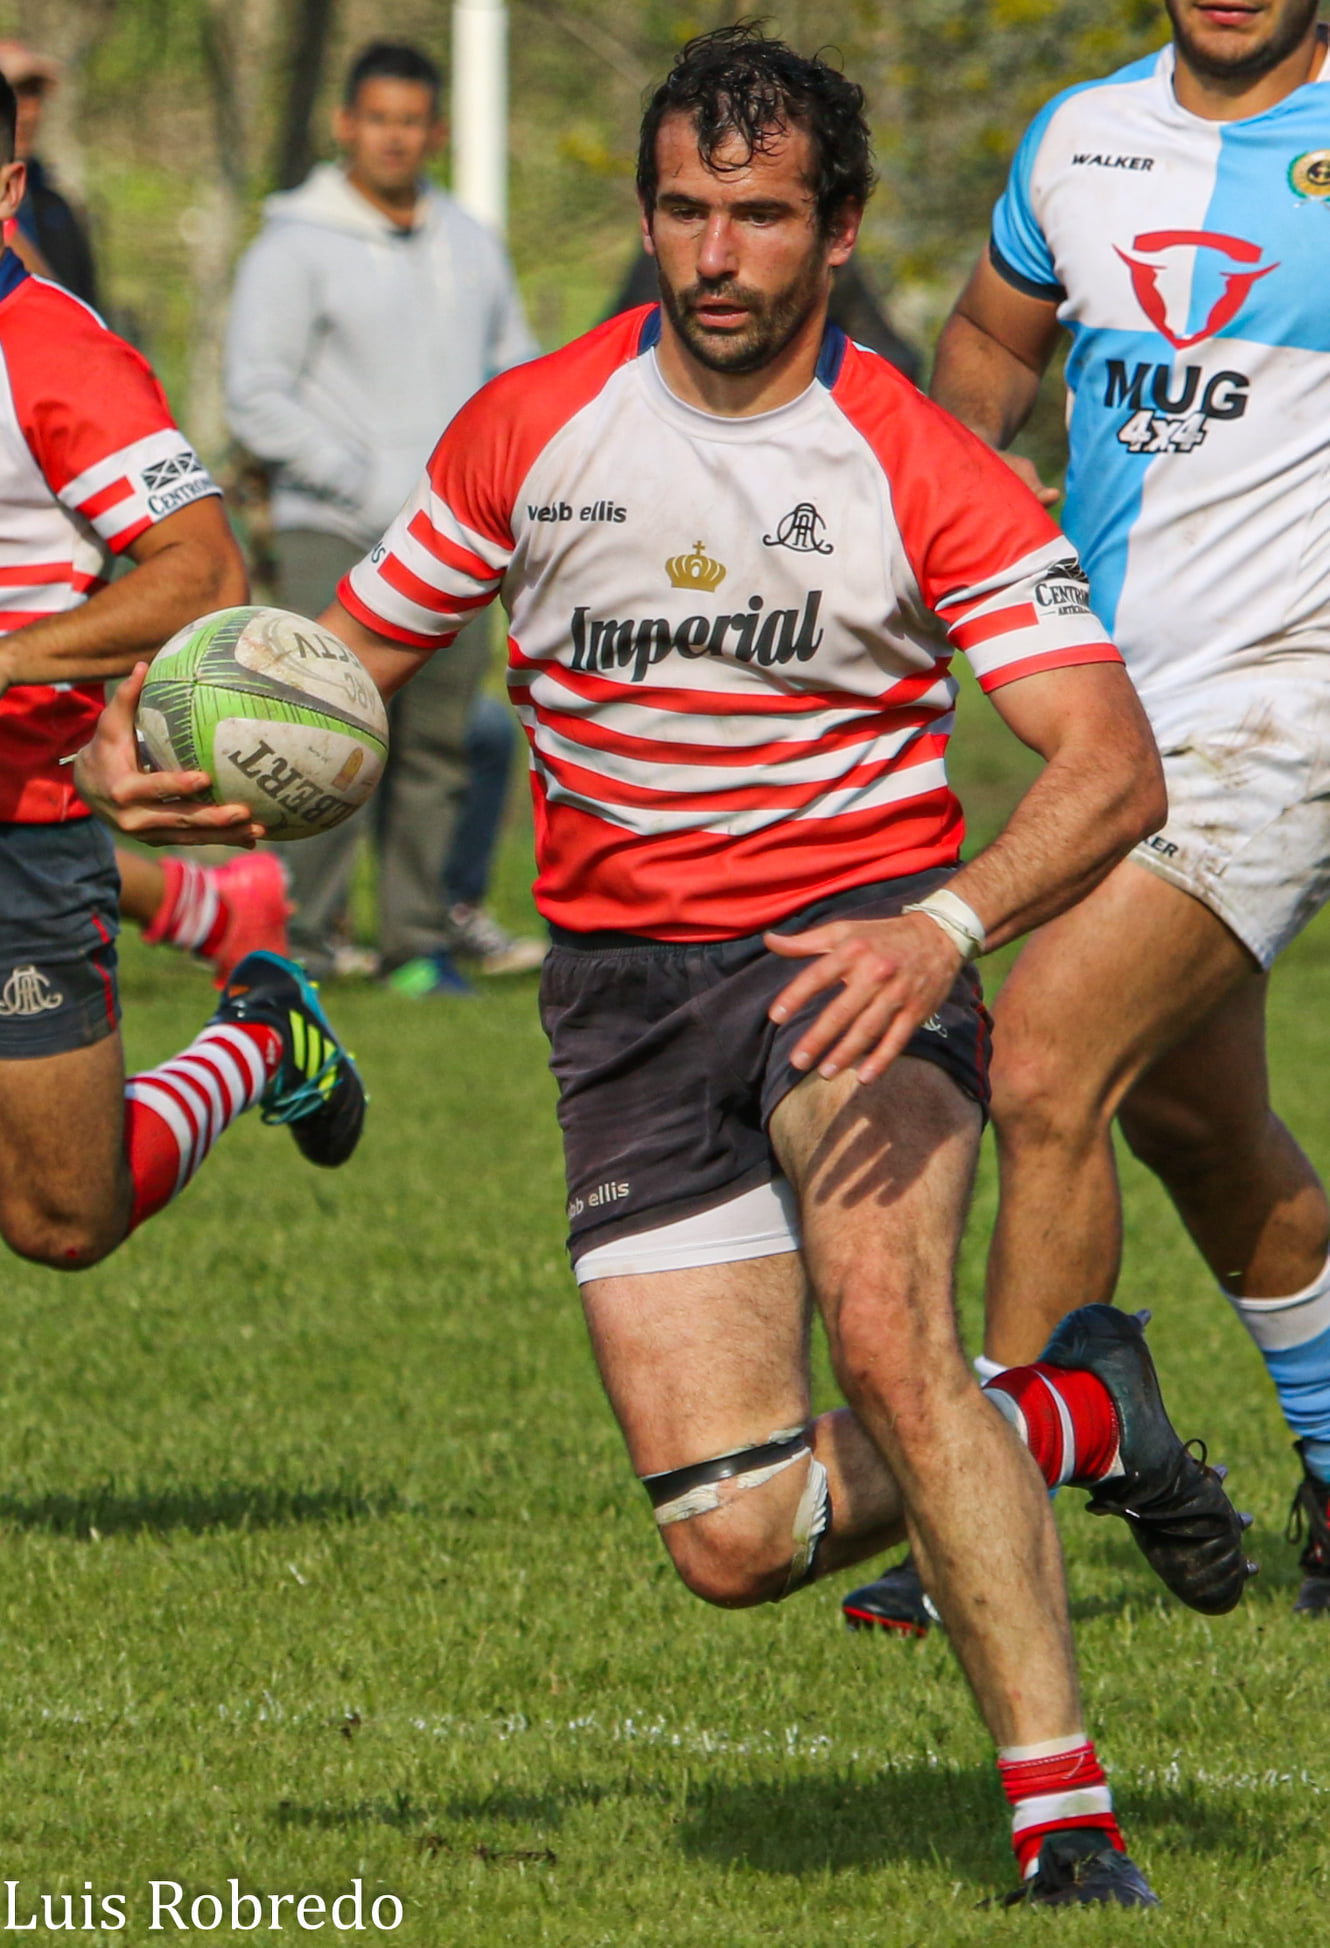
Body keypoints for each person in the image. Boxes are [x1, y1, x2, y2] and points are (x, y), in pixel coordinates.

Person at [80, 27, 1254, 1905]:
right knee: (735, 1533)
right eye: (689, 212)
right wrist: (205, 761)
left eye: (764, 217)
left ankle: (1063, 1817)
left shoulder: (921, 459)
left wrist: (940, 923)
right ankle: (1070, 1401)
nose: (719, 255)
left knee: (884, 1320)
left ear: (840, 231)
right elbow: (340, 667)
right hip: (620, 994)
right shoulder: (530, 428)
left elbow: (1113, 765)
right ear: (649, 216)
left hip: (849, 959)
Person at [841, 0, 1330, 1639]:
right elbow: (987, 343)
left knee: (1044, 1054)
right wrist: (944, 493)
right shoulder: (1077, 138)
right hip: (1117, 714)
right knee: (1192, 1118)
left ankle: (978, 1499)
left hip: (1293, 708)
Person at [0, 72, 364, 1273]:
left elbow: (198, 571)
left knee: (64, 1217)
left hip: (21, 820)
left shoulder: (51, 353)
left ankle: (260, 1025)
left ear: (7, 190)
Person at [225, 38, 543, 993]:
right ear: (346, 125)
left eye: (414, 122)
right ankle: (306, 941)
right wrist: (364, 480)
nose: (397, 138)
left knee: (439, 747)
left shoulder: (471, 243)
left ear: (435, 131)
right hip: (336, 525)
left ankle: (415, 944)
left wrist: (494, 491)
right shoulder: (291, 246)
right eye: (380, 120)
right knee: (319, 736)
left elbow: (517, 374)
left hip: (453, 537)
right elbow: (255, 395)